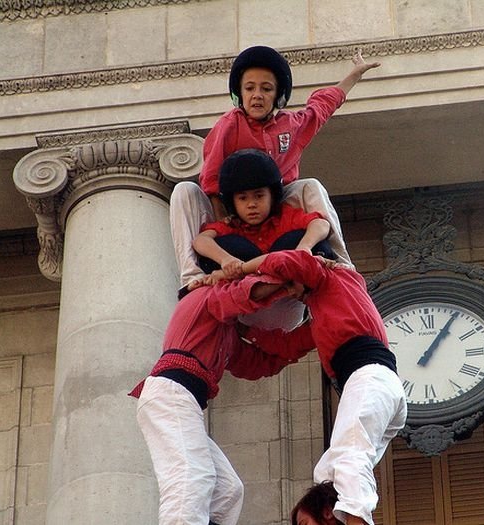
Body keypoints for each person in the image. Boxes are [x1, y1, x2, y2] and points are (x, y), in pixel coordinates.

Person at [171, 45, 380, 297]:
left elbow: (324, 104)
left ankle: (343, 266)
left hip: (278, 210)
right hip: (230, 214)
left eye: (266, 89)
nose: (257, 95)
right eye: (249, 88)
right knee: (184, 191)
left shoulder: (292, 126)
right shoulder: (228, 125)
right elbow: (212, 179)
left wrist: (355, 74)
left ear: (278, 95)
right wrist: (224, 222)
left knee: (310, 186)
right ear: (239, 92)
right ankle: (191, 277)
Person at [235, 250, 408, 525]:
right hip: (374, 383)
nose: (290, 292)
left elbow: (293, 262)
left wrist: (238, 268)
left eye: (291, 284)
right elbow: (287, 345)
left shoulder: (337, 279)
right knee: (329, 473)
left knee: (350, 457)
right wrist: (242, 331)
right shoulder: (322, 313)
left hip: (370, 376)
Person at [129, 273, 314, 525]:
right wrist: (285, 285)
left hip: (180, 398)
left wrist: (318, 333)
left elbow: (260, 363)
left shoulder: (225, 333)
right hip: (171, 392)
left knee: (228, 490)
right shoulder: (202, 297)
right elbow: (242, 295)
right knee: (191, 476)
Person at [192, 148, 332, 281]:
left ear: (272, 196)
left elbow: (321, 224)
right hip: (244, 289)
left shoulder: (285, 216)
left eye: (259, 196)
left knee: (315, 244)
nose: (251, 204)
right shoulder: (232, 226)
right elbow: (201, 241)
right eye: (243, 198)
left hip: (290, 284)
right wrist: (226, 259)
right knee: (228, 245)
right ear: (232, 202)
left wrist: (304, 247)